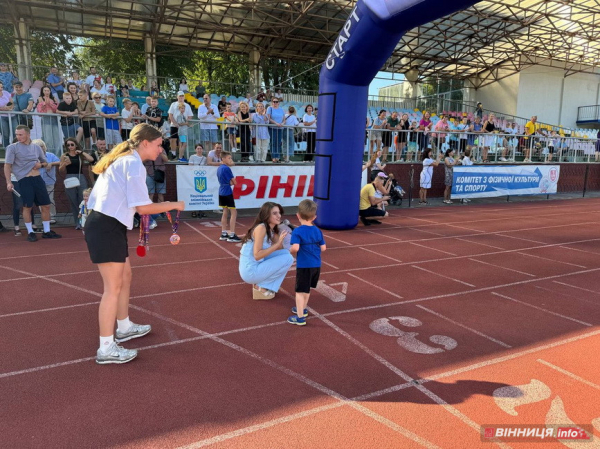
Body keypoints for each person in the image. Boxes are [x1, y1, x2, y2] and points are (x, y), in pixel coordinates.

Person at [85, 123, 185, 364]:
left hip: (109, 226)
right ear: (145, 143)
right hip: (105, 226)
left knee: (125, 277)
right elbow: (143, 207)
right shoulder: (132, 164)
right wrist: (172, 204)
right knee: (112, 288)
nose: (161, 149)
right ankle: (106, 347)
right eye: (159, 145)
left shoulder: (127, 160)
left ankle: (124, 326)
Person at [4, 125, 62, 242]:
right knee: (27, 206)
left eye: (21, 134)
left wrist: (40, 165)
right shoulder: (12, 148)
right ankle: (30, 232)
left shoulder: (36, 147)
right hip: (24, 180)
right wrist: (8, 182)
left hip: (38, 179)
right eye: (16, 134)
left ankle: (46, 231)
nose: (18, 137)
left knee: (46, 205)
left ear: (28, 134)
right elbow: (7, 165)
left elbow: (45, 162)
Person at [238, 202, 294, 300]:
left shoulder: (270, 229)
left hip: (256, 265)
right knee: (288, 258)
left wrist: (281, 233)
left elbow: (281, 249)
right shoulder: (261, 228)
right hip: (250, 271)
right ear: (266, 215)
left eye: (279, 213)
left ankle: (262, 286)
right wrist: (277, 243)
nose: (279, 216)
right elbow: (257, 255)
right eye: (275, 213)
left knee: (285, 254)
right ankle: (262, 286)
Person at [288, 199, 326, 326]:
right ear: (314, 217)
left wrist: (290, 250)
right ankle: (303, 309)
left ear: (298, 215)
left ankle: (299, 318)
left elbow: (296, 248)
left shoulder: (297, 231)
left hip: (304, 265)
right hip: (316, 265)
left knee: (299, 291)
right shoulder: (317, 230)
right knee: (307, 289)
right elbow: (323, 248)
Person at [60, 138, 95, 229]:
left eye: (72, 144)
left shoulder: (79, 155)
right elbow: (61, 169)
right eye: (68, 145)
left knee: (84, 200)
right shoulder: (64, 155)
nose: (70, 147)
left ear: (76, 145)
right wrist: (65, 164)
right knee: (73, 201)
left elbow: (91, 159)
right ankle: (78, 222)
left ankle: (86, 221)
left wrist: (81, 152)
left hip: (80, 177)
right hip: (69, 177)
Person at [217, 151, 241, 242]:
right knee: (233, 213)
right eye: (229, 158)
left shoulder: (219, 168)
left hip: (221, 191)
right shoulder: (226, 169)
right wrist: (231, 183)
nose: (230, 160)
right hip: (227, 192)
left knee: (225, 212)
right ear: (223, 159)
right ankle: (232, 234)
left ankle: (223, 233)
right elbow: (234, 182)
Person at [35, 139, 59, 222]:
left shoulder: (50, 155)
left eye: (41, 146)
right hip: (37, 181)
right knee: (41, 200)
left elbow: (60, 162)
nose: (40, 148)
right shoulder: (33, 157)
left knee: (50, 199)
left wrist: (51, 164)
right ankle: (45, 217)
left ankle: (52, 216)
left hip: (49, 181)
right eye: (38, 147)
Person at [169, 92, 194, 160]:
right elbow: (170, 115)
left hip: (183, 127)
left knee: (181, 142)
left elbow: (190, 115)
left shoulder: (187, 105)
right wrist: (176, 124)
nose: (181, 97)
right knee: (173, 140)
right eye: (180, 96)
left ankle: (181, 156)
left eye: (182, 96)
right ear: (177, 97)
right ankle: (174, 154)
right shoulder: (173, 104)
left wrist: (186, 122)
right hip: (174, 125)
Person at [36, 85, 61, 154]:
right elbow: (39, 112)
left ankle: (57, 154)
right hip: (46, 119)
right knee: (48, 138)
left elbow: (57, 109)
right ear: (42, 92)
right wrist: (44, 103)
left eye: (48, 91)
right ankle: (49, 153)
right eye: (45, 91)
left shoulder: (54, 99)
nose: (47, 92)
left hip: (54, 119)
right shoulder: (40, 99)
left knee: (56, 138)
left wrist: (50, 103)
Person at [267, 98, 285, 163]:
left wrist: (282, 123)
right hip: (272, 127)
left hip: (280, 128)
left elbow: (284, 119)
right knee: (273, 142)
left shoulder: (281, 109)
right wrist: (276, 123)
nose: (275, 103)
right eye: (274, 102)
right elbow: (269, 118)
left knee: (278, 143)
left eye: (276, 102)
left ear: (278, 103)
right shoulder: (270, 108)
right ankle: (273, 157)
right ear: (272, 102)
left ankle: (277, 157)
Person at [0, 80, 17, 148]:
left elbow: (12, 102)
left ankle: (16, 149)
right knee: (5, 134)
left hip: (12, 116)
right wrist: (3, 108)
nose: (1, 89)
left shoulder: (6, 93)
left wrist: (9, 107)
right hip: (2, 117)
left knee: (15, 133)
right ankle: (6, 150)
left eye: (1, 87)